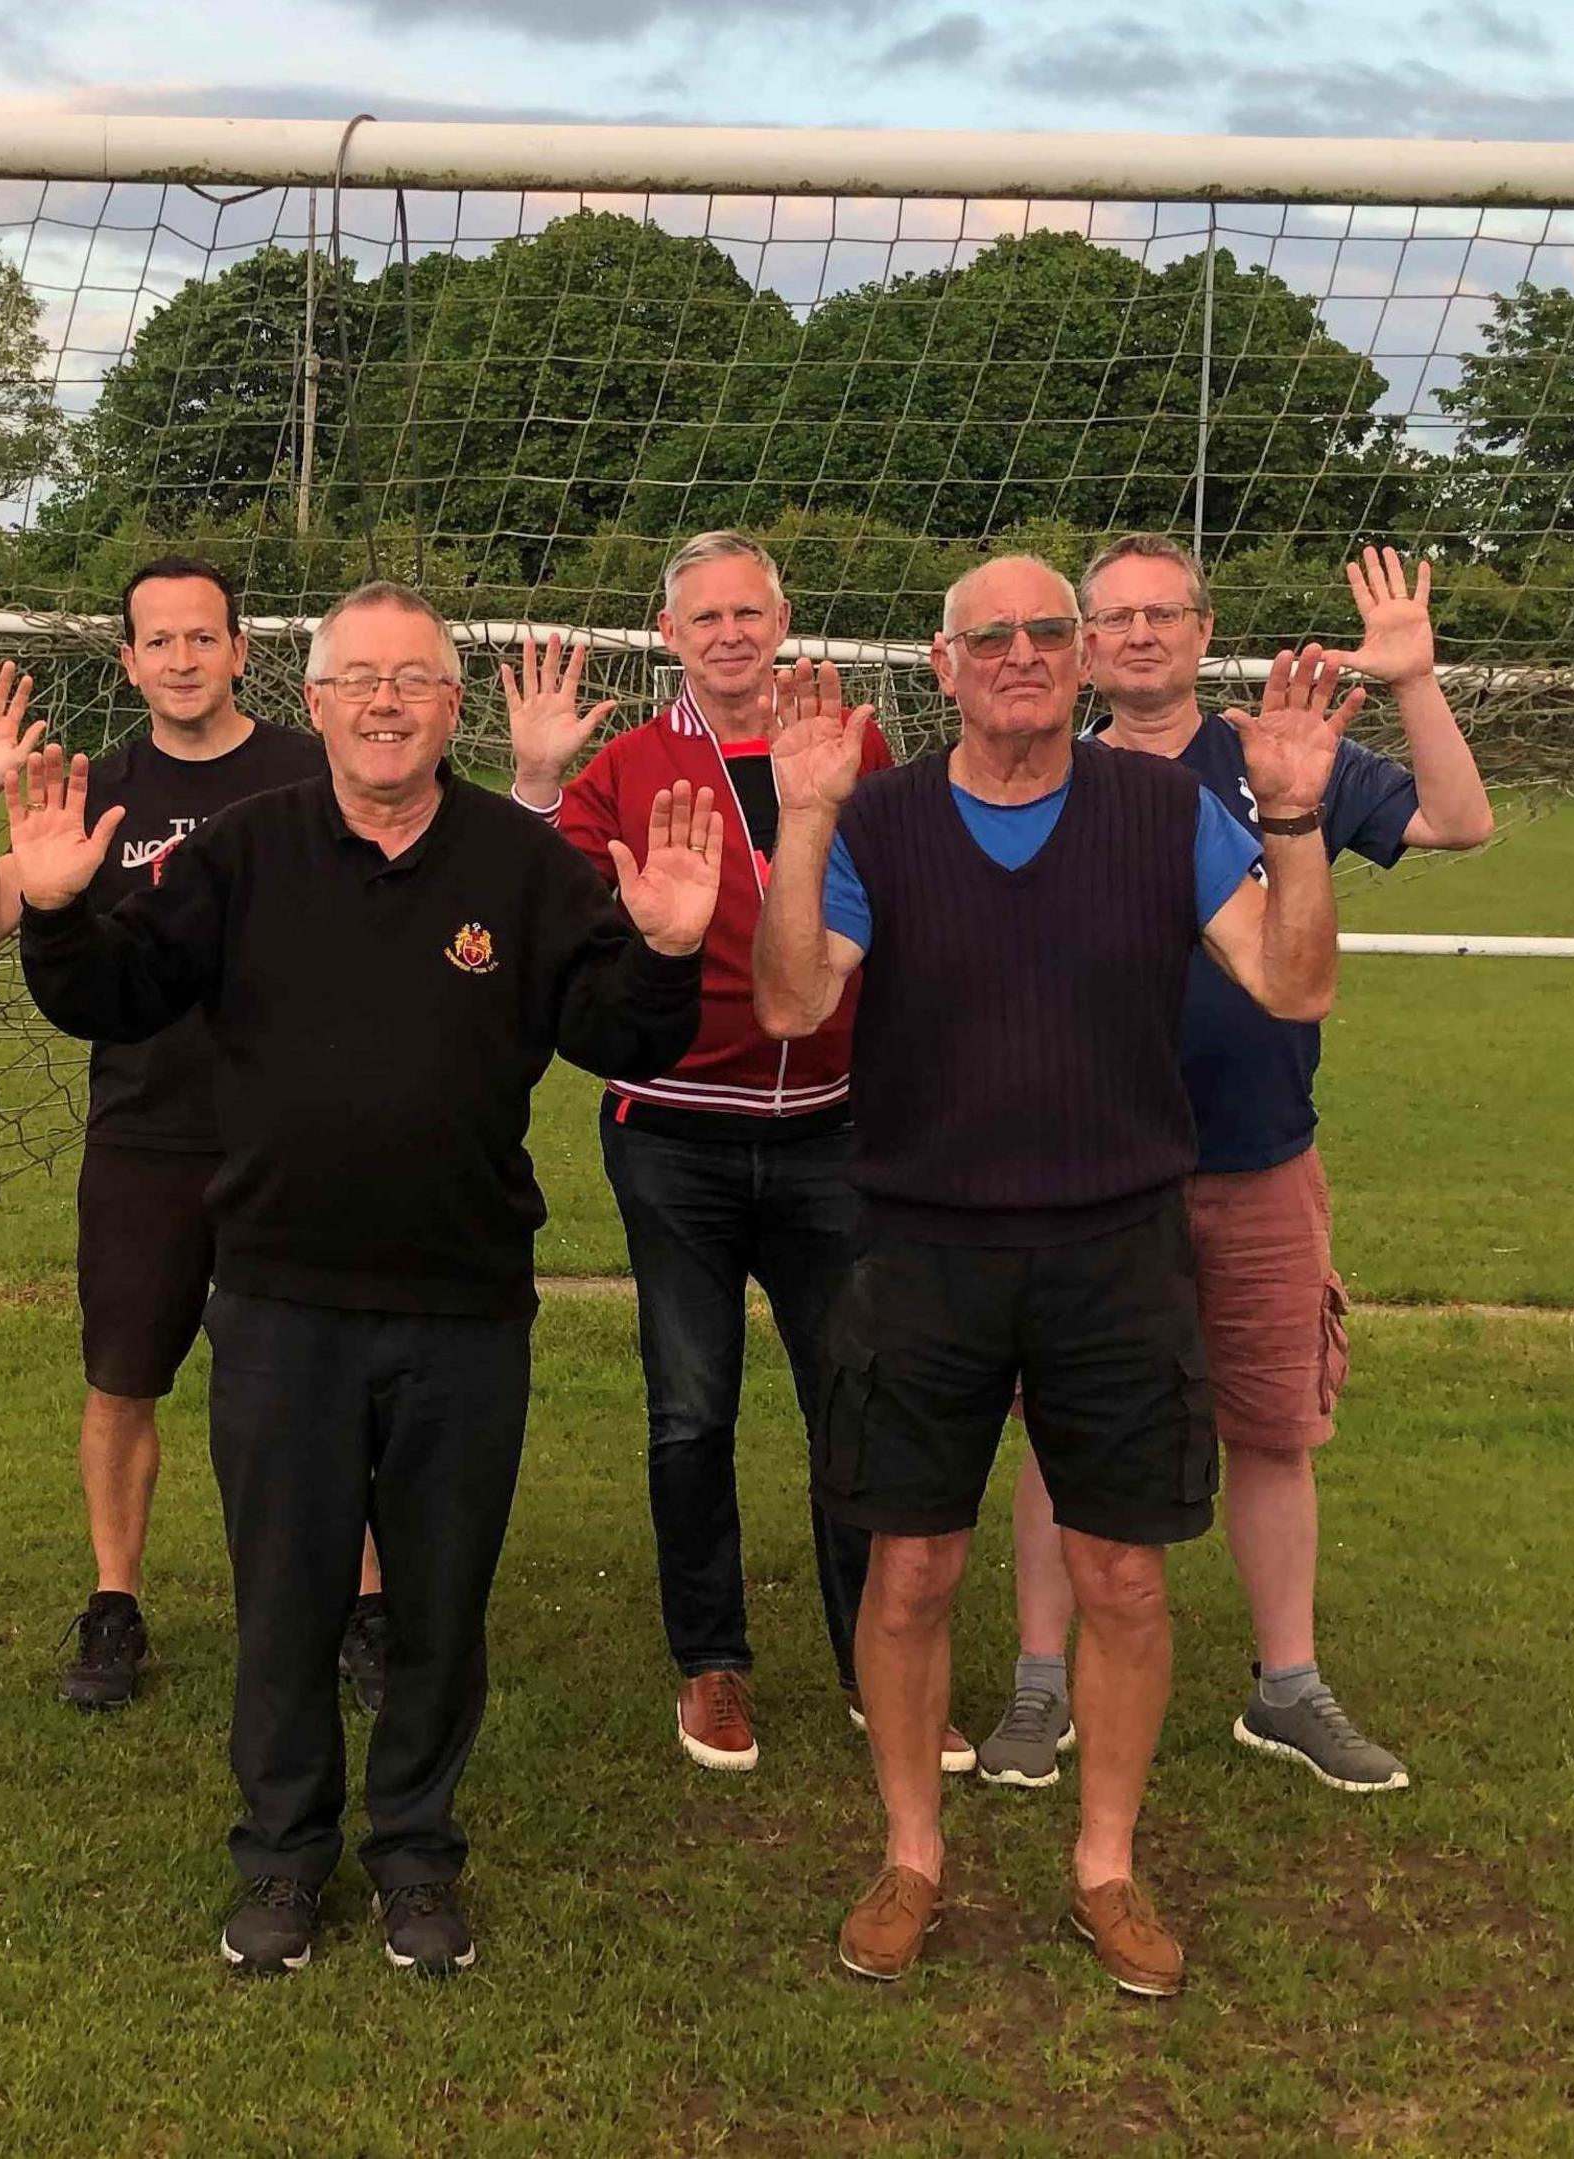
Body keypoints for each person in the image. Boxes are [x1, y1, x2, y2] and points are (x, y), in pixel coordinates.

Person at [14, 581, 719, 1978]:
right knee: (284, 1598)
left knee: (439, 1604)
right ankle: (281, 1853)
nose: (387, 700)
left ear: (452, 709)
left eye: (415, 678)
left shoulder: (519, 866)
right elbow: (118, 989)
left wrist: (671, 948)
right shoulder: (242, 848)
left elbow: (615, 1030)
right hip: (279, 1297)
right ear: (317, 700)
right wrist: (54, 913)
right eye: (360, 678)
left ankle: (415, 1852)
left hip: (463, 1301)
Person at [751, 554, 1351, 1996]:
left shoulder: (1169, 812)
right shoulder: (880, 822)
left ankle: (1105, 1863)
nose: (1022, 652)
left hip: (1115, 1245)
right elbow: (789, 996)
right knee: (910, 1570)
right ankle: (911, 1853)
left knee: (1124, 1575)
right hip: (923, 1246)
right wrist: (805, 814)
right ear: (941, 666)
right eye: (990, 635)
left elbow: (1292, 980)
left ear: (1082, 662)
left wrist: (1297, 816)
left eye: (1047, 632)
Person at [976, 540, 1495, 1799]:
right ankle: (1041, 1682)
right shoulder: (1047, 771)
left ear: (1205, 632)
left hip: (1258, 1155)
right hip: (1092, 1172)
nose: (1140, 633)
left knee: (1271, 1425)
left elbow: (1460, 821)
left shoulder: (1279, 756)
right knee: (1063, 1431)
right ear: (1083, 643)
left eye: (1165, 612)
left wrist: (1416, 682)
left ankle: (1288, 1686)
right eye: (1114, 616)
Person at [502, 532, 958, 1779]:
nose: (729, 633)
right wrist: (539, 786)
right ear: (671, 635)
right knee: (691, 1406)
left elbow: (918, 893)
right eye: (703, 616)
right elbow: (533, 902)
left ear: (784, 617)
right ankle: (713, 1662)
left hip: (833, 1130)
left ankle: (881, 1660)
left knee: (851, 1398)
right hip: (675, 1136)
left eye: (748, 611)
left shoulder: (852, 743)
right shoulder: (632, 765)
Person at [0, 559, 386, 1716]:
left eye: (203, 637)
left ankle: (365, 1599)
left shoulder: (310, 769)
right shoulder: (95, 786)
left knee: (320, 1375)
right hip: (143, 1131)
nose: (182, 659)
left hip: (294, 1132)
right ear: (127, 660)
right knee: (124, 1376)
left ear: (242, 651)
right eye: (158, 641)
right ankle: (115, 1600)